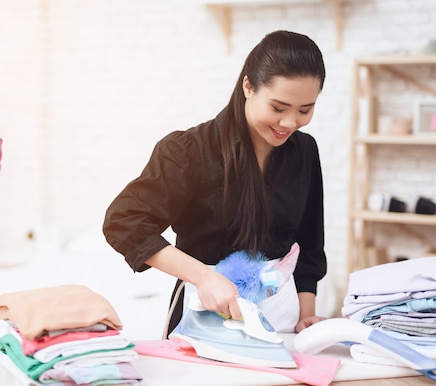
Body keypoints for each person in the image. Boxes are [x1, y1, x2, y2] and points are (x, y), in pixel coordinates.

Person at [103, 30, 327, 337]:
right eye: (278, 108)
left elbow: (309, 244)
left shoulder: (304, 151)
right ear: (248, 86)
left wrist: (306, 316)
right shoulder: (188, 151)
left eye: (305, 110)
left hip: (282, 316)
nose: (289, 123)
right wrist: (203, 277)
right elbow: (125, 222)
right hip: (205, 309)